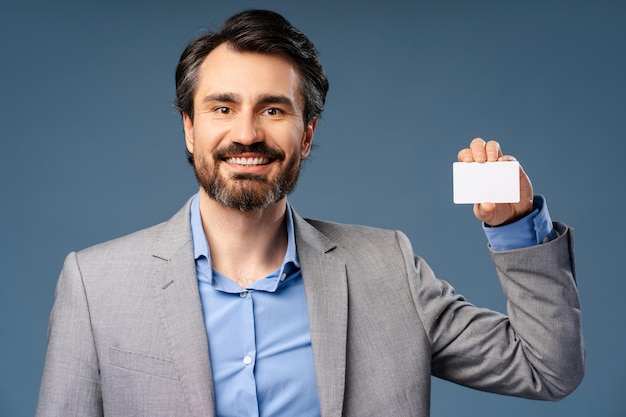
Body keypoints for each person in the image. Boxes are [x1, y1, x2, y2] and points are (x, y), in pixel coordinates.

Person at [35, 9, 585, 417]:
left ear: (307, 134)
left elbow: (548, 368)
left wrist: (514, 227)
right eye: (222, 108)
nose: (246, 133)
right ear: (189, 126)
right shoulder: (95, 285)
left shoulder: (389, 270)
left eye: (273, 109)